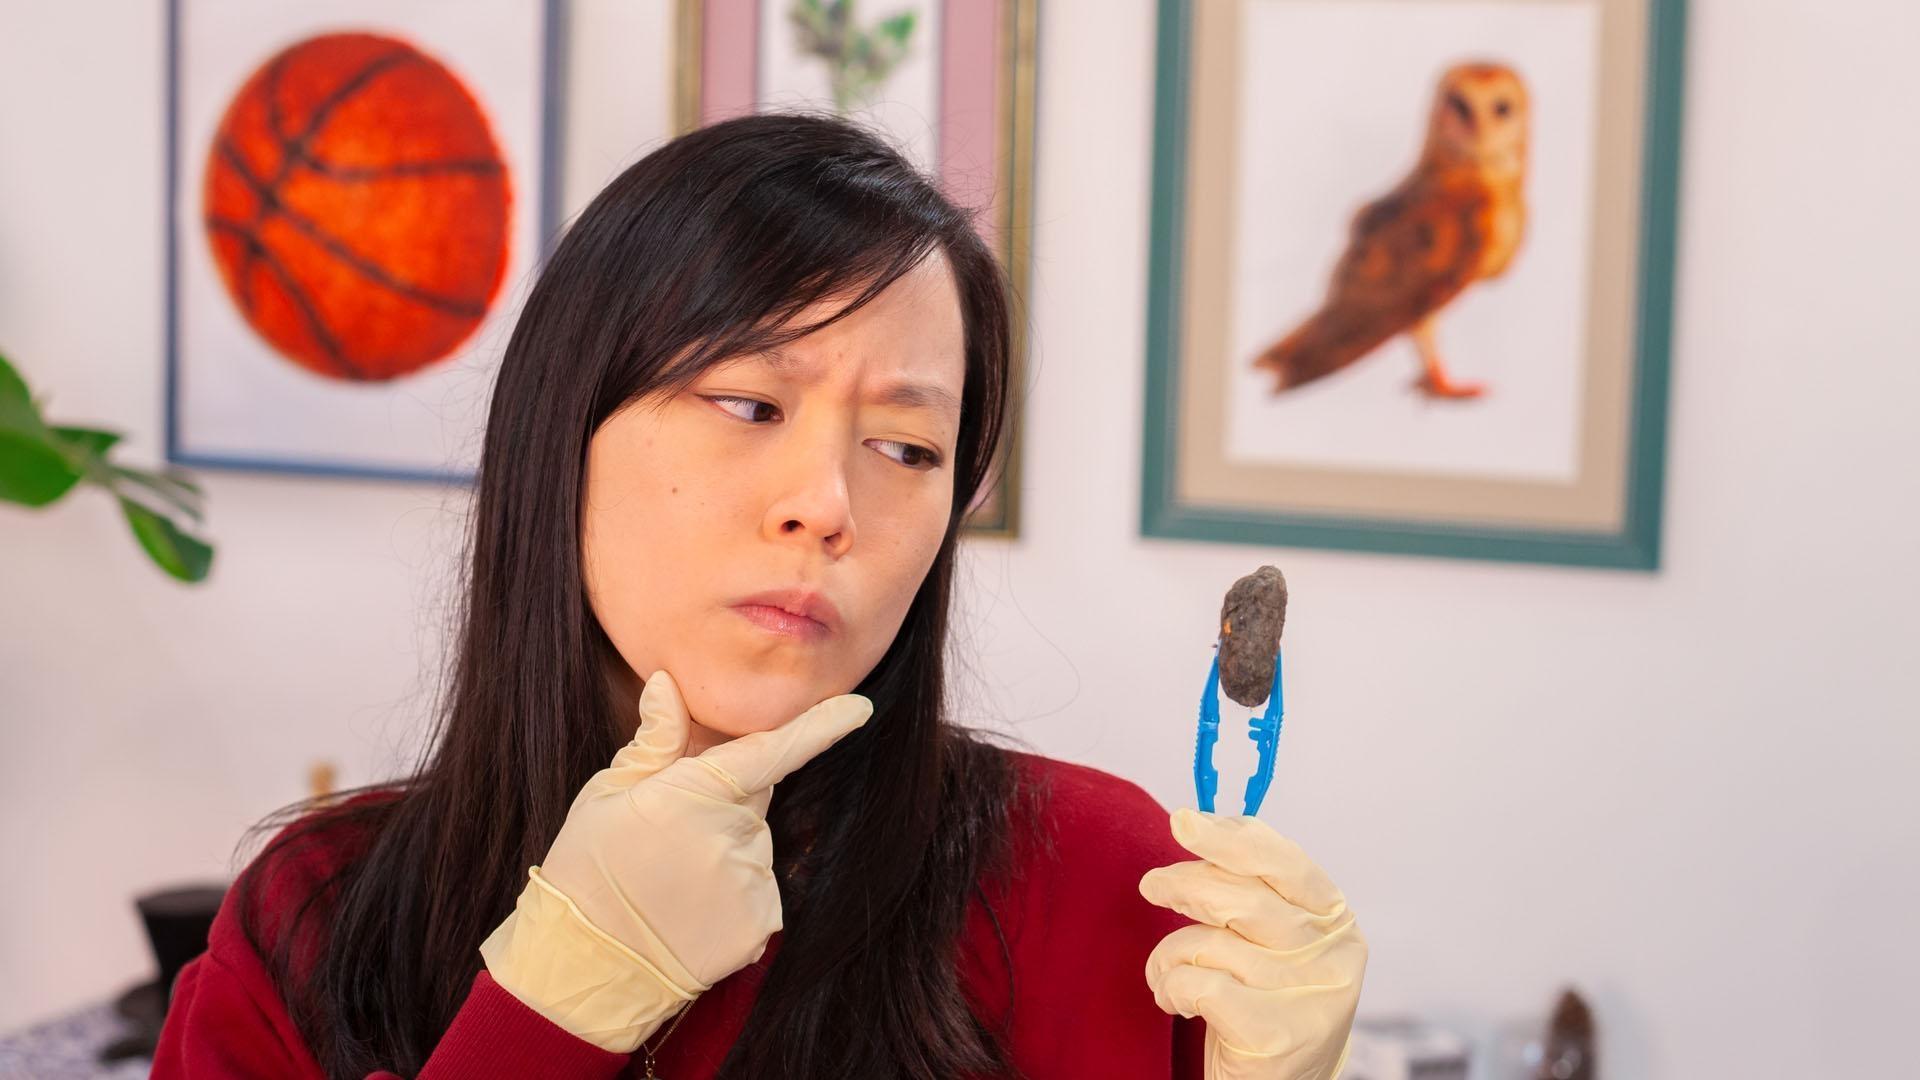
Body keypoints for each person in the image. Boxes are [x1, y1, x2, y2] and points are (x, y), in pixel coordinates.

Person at [150, 111, 1366, 1080]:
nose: (828, 503)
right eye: (749, 404)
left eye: (908, 449)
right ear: (560, 431)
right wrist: (551, 1009)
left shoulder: (1115, 890)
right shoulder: (316, 915)